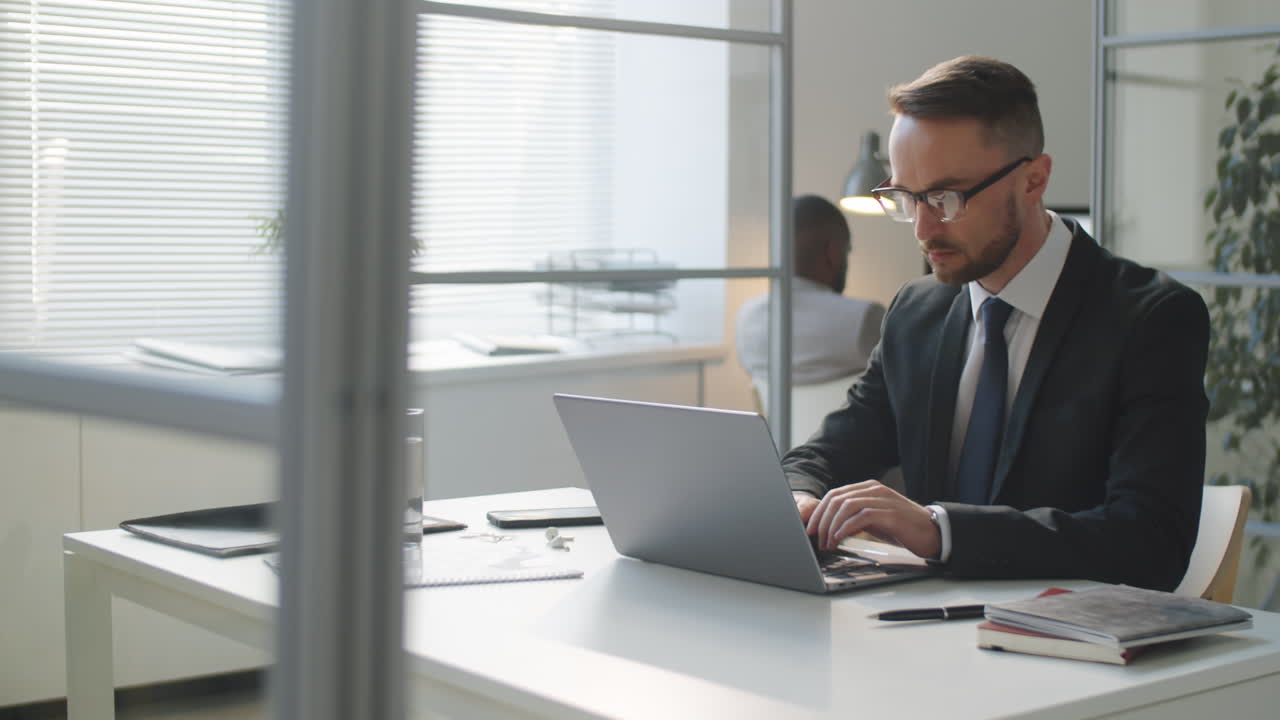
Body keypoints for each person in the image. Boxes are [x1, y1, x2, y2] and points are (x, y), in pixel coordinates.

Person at [785, 56, 1208, 591]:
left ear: (1034, 180)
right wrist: (800, 499)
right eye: (907, 198)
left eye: (946, 197)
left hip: (1069, 651)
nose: (922, 227)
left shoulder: (1150, 320)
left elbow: (1149, 544)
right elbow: (821, 456)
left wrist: (939, 530)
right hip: (923, 633)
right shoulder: (916, 313)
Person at [736, 195, 886, 385]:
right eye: (846, 250)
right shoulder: (865, 318)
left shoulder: (747, 318)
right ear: (832, 252)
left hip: (776, 417)